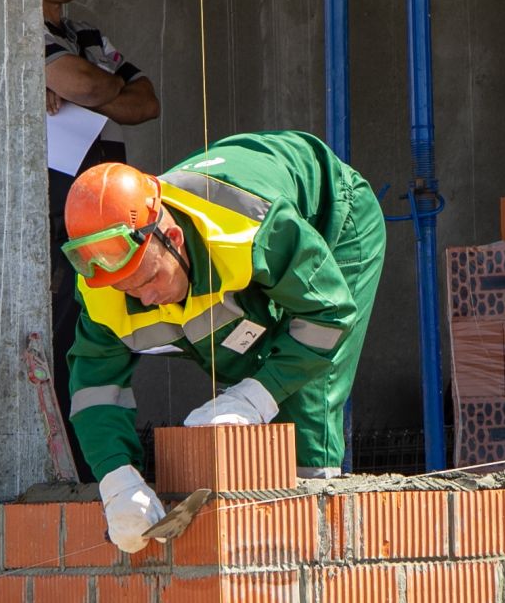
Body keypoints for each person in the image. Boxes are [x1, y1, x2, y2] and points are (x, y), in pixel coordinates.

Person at [60, 131, 386, 552]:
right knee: (246, 359)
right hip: (249, 256)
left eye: (151, 279)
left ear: (172, 239)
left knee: (306, 396)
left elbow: (328, 315)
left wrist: (254, 398)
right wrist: (116, 478)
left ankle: (315, 539)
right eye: (129, 290)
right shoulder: (105, 285)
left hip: (334, 213)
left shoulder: (243, 227)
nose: (147, 299)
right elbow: (94, 389)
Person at [41, 0, 160, 480]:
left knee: (111, 322)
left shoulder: (81, 32)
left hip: (106, 206)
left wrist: (90, 86)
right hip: (53, 211)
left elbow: (146, 101)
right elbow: (84, 83)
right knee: (65, 331)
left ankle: (108, 456)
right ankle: (83, 465)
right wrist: (93, 86)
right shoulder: (17, 30)